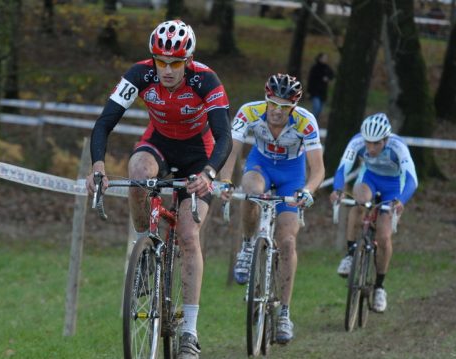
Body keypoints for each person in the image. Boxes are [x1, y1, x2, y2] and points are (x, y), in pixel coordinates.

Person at [86, 20, 232, 359]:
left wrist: (210, 172)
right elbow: (105, 121)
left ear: (188, 60)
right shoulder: (140, 74)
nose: (167, 70)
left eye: (175, 63)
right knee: (137, 171)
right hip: (160, 144)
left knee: (188, 233)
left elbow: (224, 135)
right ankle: (146, 252)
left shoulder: (205, 80)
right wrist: (97, 165)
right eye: (160, 61)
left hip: (200, 155)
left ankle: (190, 332)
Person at [219, 73, 325, 344]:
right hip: (261, 165)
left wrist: (308, 192)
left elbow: (318, 169)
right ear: (266, 99)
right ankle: (246, 247)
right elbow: (232, 150)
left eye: (284, 106)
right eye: (272, 103)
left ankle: (285, 313)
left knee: (288, 242)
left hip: (292, 176)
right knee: (251, 191)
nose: (277, 111)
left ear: (294, 106)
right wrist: (224, 181)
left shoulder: (305, 121)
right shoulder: (250, 112)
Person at [329, 113, 418, 313]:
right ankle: (351, 253)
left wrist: (401, 201)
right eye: (368, 143)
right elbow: (343, 167)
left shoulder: (398, 147)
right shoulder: (356, 142)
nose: (370, 148)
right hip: (369, 179)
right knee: (359, 202)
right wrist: (337, 188)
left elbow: (412, 179)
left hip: (393, 187)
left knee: (384, 237)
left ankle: (379, 286)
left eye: (376, 144)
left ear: (386, 140)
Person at [306, 52, 335, 122]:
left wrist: (328, 78)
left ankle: (314, 123)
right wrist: (308, 91)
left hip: (323, 93)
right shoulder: (315, 68)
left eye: (326, 58)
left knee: (319, 110)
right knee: (316, 108)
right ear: (319, 58)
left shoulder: (327, 68)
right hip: (315, 92)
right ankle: (310, 122)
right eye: (324, 58)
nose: (325, 59)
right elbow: (310, 80)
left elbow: (332, 75)